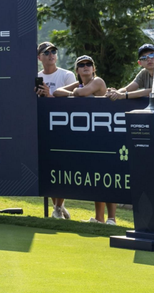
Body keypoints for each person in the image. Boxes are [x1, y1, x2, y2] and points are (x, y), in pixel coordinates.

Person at [53, 56, 116, 224]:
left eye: (89, 64)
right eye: (81, 65)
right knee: (98, 176)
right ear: (77, 71)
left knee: (107, 176)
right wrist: (74, 91)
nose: (86, 67)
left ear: (94, 68)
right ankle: (100, 218)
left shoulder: (98, 81)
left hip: (105, 133)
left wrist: (75, 92)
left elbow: (81, 93)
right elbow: (57, 92)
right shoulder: (79, 84)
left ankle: (111, 218)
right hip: (91, 135)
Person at [35, 41, 75, 220]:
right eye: (46, 52)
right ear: (39, 57)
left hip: (64, 128)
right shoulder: (35, 76)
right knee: (49, 167)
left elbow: (73, 102)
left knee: (63, 167)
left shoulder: (67, 76)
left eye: (53, 51)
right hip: (43, 127)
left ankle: (58, 207)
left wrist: (50, 96)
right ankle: (58, 207)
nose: (51, 55)